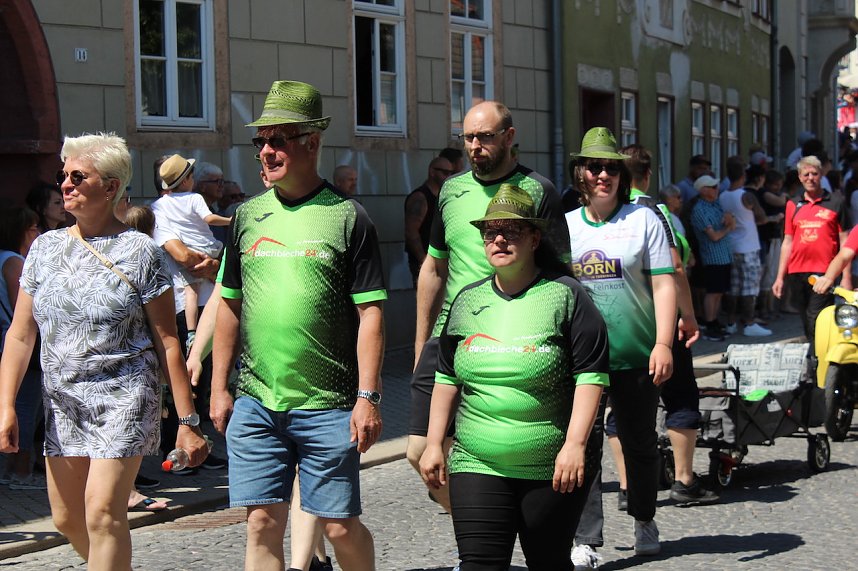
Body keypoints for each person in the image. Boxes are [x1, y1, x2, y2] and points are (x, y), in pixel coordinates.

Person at [0, 132, 208, 569]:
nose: (66, 184)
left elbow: (168, 340)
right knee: (66, 518)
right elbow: (21, 335)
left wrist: (188, 422)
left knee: (102, 513)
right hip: (64, 402)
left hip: (125, 396)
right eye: (63, 175)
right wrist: (7, 406)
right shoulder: (44, 248)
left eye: (79, 176)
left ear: (111, 186)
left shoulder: (140, 252)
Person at [211, 80, 386, 571]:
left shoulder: (349, 218)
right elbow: (228, 304)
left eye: (279, 139)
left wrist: (368, 396)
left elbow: (370, 312)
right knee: (262, 523)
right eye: (261, 141)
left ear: (312, 142)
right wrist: (221, 388)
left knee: (337, 526)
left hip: (328, 404)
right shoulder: (245, 216)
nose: (266, 151)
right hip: (257, 401)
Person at [417, 184, 609, 570]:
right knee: (479, 565)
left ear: (535, 238)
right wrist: (435, 441)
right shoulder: (466, 300)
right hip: (477, 461)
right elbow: (447, 377)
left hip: (550, 466)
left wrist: (574, 445)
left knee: (548, 562)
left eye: (512, 231)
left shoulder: (567, 296)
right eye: (491, 232)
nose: (500, 239)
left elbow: (592, 377)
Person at [406, 100, 570, 514]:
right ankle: (479, 536)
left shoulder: (539, 190)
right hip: (451, 335)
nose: (475, 146)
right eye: (468, 138)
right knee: (418, 452)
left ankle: (487, 542)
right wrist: (421, 342)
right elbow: (434, 267)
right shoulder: (452, 190)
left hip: (518, 338)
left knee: (525, 451)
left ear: (510, 137)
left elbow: (562, 275)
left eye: (485, 137)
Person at [566, 127, 676, 557]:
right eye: (594, 167)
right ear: (581, 174)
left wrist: (663, 343)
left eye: (611, 167)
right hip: (583, 359)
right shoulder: (567, 227)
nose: (603, 175)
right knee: (585, 444)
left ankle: (645, 519)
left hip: (636, 353)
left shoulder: (644, 219)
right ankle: (586, 538)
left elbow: (664, 285)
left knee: (639, 442)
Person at [773, 155, 850, 372]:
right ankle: (819, 355)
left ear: (821, 175)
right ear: (799, 177)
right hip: (797, 270)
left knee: (816, 316)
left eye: (814, 173)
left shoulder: (836, 202)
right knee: (806, 318)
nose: (810, 178)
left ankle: (818, 362)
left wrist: (845, 277)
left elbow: (845, 241)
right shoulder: (792, 204)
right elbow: (787, 241)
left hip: (825, 271)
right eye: (805, 174)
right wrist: (779, 277)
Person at [154, 154, 231, 350]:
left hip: (194, 299)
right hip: (207, 252)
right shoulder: (192, 199)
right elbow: (182, 255)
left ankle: (191, 334)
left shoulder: (161, 206)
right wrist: (232, 219)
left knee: (192, 291)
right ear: (187, 179)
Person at [0, 207, 42, 490]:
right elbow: (23, 312)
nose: (37, 233)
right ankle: (20, 470)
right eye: (32, 228)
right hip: (17, 345)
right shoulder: (14, 261)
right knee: (26, 407)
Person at [719, 159, 772, 337]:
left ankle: (731, 322)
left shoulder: (723, 195)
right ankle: (749, 322)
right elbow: (762, 217)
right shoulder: (746, 196)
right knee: (750, 287)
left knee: (733, 287)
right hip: (748, 245)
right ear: (743, 176)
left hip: (731, 245)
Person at [690, 175, 735, 341]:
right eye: (713, 187)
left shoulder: (715, 204)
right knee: (713, 292)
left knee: (720, 292)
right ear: (703, 190)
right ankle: (709, 324)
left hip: (724, 255)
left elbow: (728, 223)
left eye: (717, 186)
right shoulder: (699, 210)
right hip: (713, 257)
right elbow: (714, 236)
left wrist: (730, 221)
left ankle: (714, 320)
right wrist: (728, 228)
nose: (717, 190)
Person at [404, 156, 454, 284]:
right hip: (426, 261)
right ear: (432, 172)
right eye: (444, 172)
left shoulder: (443, 196)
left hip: (442, 261)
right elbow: (411, 232)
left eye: (451, 173)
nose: (448, 176)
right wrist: (423, 260)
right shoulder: (420, 198)